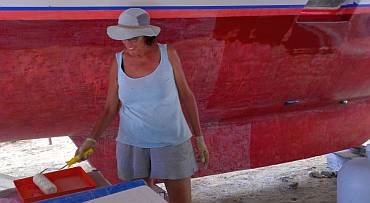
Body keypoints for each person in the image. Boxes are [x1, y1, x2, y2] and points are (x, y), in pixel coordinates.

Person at [75, 8, 209, 203]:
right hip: (132, 143)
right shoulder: (118, 61)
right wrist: (91, 139)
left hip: (172, 140)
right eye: (124, 38)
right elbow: (110, 107)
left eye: (133, 38)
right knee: (140, 200)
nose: (127, 44)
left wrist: (199, 137)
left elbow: (186, 95)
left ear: (146, 35)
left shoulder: (168, 54)